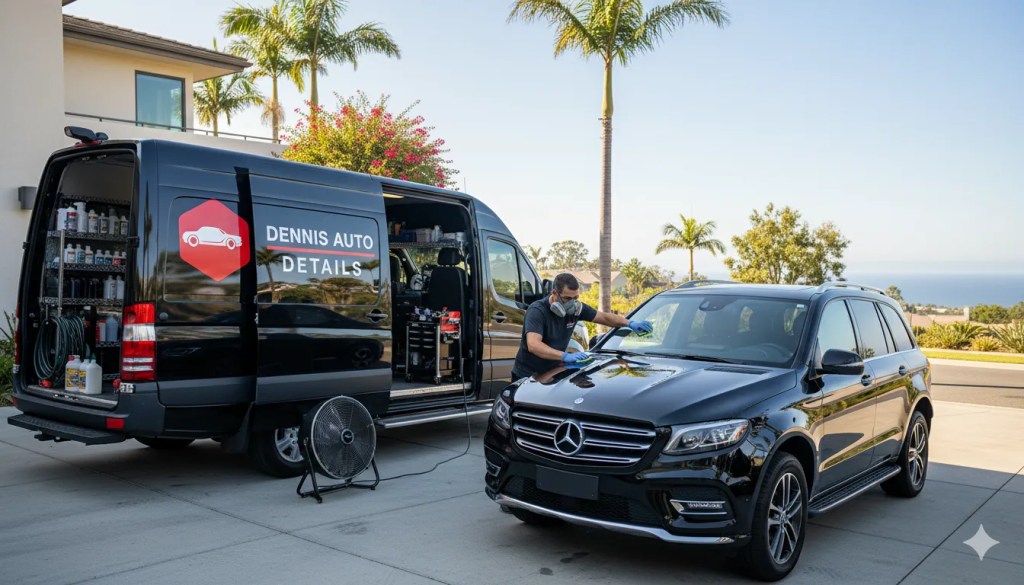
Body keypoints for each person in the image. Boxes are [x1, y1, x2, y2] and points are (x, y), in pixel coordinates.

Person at [511, 273, 653, 382]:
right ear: (554, 294)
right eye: (567, 298)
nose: (572, 303)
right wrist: (565, 356)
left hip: (553, 372)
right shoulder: (537, 311)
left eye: (576, 298)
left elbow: (604, 317)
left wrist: (630, 323)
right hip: (528, 375)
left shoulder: (576, 310)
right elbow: (534, 345)